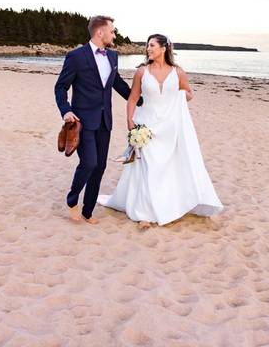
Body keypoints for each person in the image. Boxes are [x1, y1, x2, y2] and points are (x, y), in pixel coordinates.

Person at [98, 34, 223, 228]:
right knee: (147, 167)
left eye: (152, 45)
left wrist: (179, 98)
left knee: (166, 168)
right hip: (145, 124)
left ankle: (167, 203)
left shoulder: (178, 72)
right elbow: (132, 98)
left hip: (170, 126)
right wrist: (130, 121)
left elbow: (189, 94)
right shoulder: (142, 72)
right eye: (148, 46)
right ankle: (144, 214)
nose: (148, 49)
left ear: (164, 48)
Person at [54, 15, 140, 224]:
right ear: (100, 32)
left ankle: (88, 211)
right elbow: (60, 87)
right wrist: (66, 111)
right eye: (112, 31)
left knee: (100, 167)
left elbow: (116, 82)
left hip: (105, 120)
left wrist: (138, 99)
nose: (114, 34)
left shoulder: (113, 56)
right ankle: (72, 200)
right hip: (83, 121)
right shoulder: (76, 56)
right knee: (89, 163)